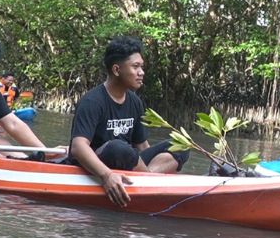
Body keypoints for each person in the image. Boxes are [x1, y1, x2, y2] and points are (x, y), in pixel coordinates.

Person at [67, 36, 189, 207]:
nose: (142, 72)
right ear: (117, 70)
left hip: (130, 162)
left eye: (142, 67)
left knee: (181, 144)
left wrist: (148, 166)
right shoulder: (92, 101)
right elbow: (78, 147)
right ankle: (149, 181)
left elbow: (142, 146)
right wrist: (106, 176)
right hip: (100, 162)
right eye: (135, 66)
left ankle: (147, 180)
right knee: (118, 147)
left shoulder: (134, 101)